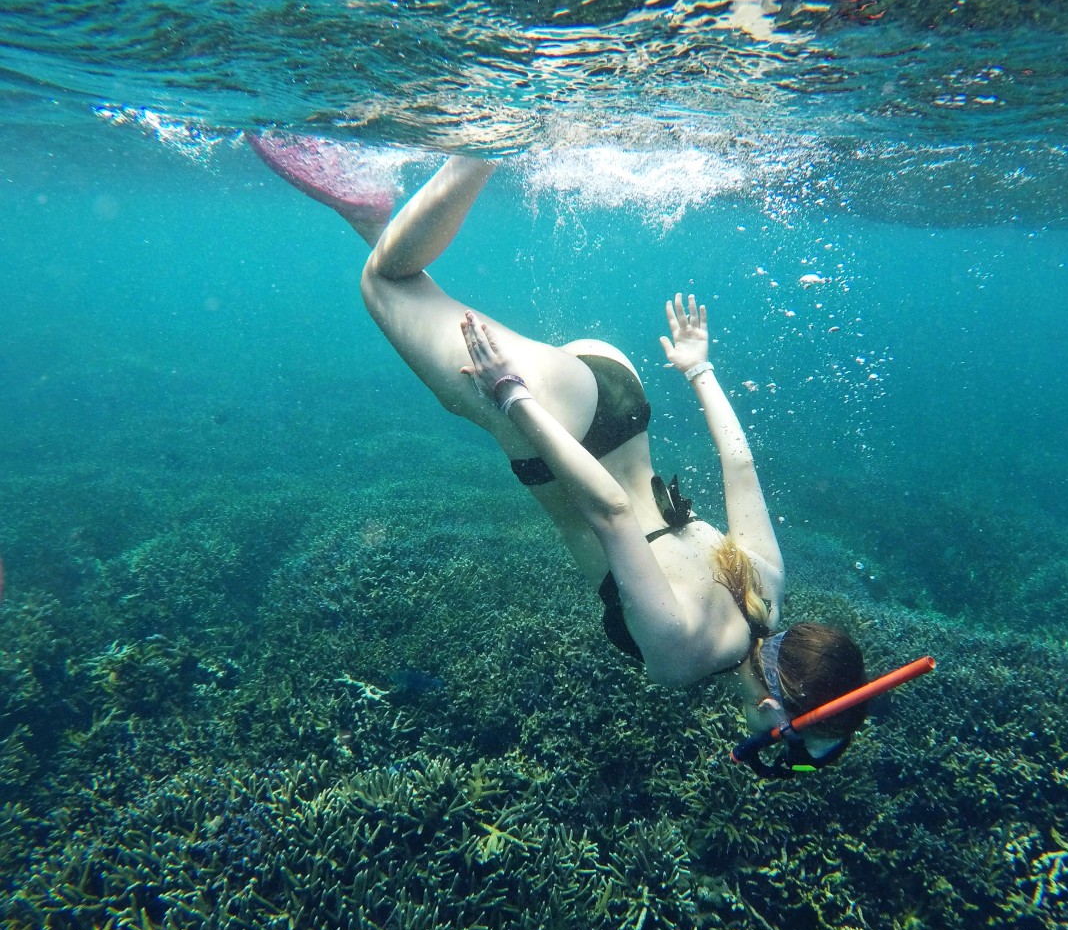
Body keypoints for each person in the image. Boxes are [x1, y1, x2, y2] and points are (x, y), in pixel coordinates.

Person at [249, 134, 870, 768]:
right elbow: (608, 512)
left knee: (416, 300)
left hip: (620, 397)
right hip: (553, 427)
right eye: (796, 752)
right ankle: (488, 134)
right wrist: (513, 397)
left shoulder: (768, 588)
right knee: (385, 282)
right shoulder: (680, 656)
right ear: (774, 714)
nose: (783, 757)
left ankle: (369, 210)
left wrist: (698, 370)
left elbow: (739, 463)